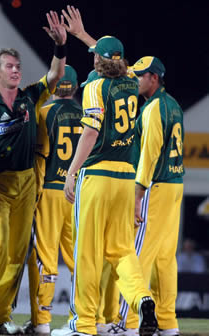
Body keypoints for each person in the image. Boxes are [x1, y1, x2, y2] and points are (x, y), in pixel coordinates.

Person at [0, 10, 67, 334]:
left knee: (18, 253)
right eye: (10, 66)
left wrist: (60, 47)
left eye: (18, 66)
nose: (16, 71)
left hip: (26, 182)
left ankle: (0, 315)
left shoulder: (29, 98)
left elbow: (54, 75)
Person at [51, 36, 158, 336]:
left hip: (97, 176)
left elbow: (90, 133)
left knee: (87, 252)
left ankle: (84, 324)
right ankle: (142, 298)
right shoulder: (132, 79)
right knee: (122, 251)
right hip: (125, 177)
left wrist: (71, 173)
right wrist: (86, 35)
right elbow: (113, 58)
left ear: (98, 60)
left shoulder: (95, 85)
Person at [114, 56, 185, 336]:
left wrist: (138, 192)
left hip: (154, 187)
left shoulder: (153, 108)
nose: (136, 80)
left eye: (140, 76)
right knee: (166, 259)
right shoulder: (173, 105)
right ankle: (167, 323)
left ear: (153, 78)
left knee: (137, 255)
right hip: (174, 184)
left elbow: (149, 154)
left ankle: (129, 323)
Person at [24, 65, 82, 335]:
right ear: (77, 87)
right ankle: (85, 316)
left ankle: (43, 320)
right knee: (80, 259)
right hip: (78, 195)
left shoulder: (44, 113)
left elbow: (40, 159)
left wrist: (33, 197)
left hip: (49, 190)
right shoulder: (87, 114)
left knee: (45, 257)